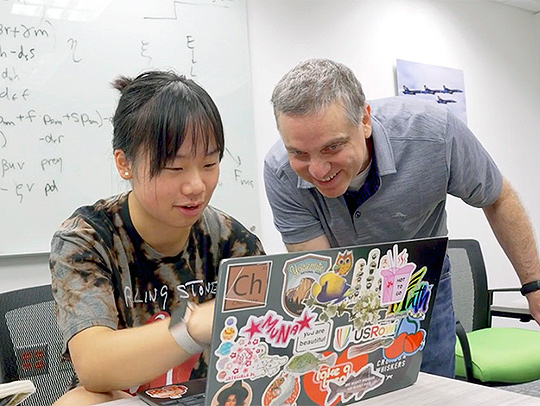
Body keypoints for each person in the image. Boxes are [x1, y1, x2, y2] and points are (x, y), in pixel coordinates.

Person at [264, 58, 540, 377]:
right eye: (299, 153)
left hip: (421, 281)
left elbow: (498, 198)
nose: (317, 170)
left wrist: (533, 286)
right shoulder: (280, 171)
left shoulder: (434, 134)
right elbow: (320, 268)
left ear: (364, 121)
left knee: (433, 388)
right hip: (346, 287)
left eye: (332, 148)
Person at [50, 70, 265, 405]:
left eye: (209, 164)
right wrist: (192, 326)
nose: (196, 186)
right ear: (124, 163)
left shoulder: (234, 241)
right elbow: (93, 365)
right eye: (175, 168)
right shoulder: (88, 239)